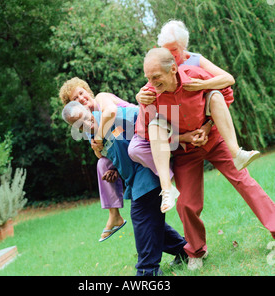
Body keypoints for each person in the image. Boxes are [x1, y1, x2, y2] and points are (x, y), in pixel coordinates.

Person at [134, 47, 275, 270]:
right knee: (187, 204)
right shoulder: (149, 95)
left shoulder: (194, 74)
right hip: (185, 151)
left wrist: (208, 127)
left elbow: (225, 95)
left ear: (172, 69)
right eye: (147, 78)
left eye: (155, 77)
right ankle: (197, 251)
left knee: (246, 183)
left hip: (214, 140)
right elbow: (149, 134)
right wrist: (185, 137)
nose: (151, 82)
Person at [133, 19, 260, 212]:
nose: (170, 55)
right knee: (187, 203)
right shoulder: (158, 73)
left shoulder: (194, 63)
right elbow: (147, 120)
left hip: (210, 132)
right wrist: (140, 96)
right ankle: (169, 194)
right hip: (184, 145)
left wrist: (202, 89)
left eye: (174, 50)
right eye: (165, 50)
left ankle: (237, 153)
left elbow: (227, 83)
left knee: (244, 180)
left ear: (184, 47)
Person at [62, 100, 187, 276]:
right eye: (79, 125)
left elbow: (146, 121)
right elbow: (117, 150)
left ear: (88, 110)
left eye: (85, 118)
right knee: (148, 219)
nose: (85, 124)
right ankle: (184, 251)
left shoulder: (116, 118)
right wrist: (113, 168)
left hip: (148, 169)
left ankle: (147, 271)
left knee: (141, 217)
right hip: (133, 178)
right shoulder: (92, 136)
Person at [59, 77, 136, 241]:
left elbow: (118, 125)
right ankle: (114, 214)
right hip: (120, 147)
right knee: (102, 164)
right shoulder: (85, 121)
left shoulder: (101, 99)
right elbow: (101, 153)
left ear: (87, 90)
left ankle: (129, 184)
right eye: (75, 98)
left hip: (133, 129)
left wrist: (100, 138)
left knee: (115, 138)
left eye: (81, 93)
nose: (81, 98)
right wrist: (97, 148)